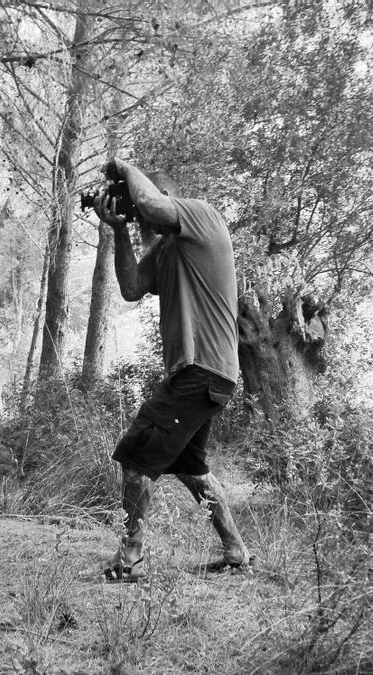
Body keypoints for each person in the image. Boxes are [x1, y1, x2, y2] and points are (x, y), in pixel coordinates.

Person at [82, 159, 251, 582]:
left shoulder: (203, 217)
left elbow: (153, 206)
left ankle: (131, 557)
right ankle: (236, 551)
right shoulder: (163, 252)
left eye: (140, 208)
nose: (140, 216)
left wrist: (123, 167)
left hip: (202, 369)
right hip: (201, 374)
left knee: (136, 458)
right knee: (192, 469)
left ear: (166, 197)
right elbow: (131, 288)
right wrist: (119, 229)